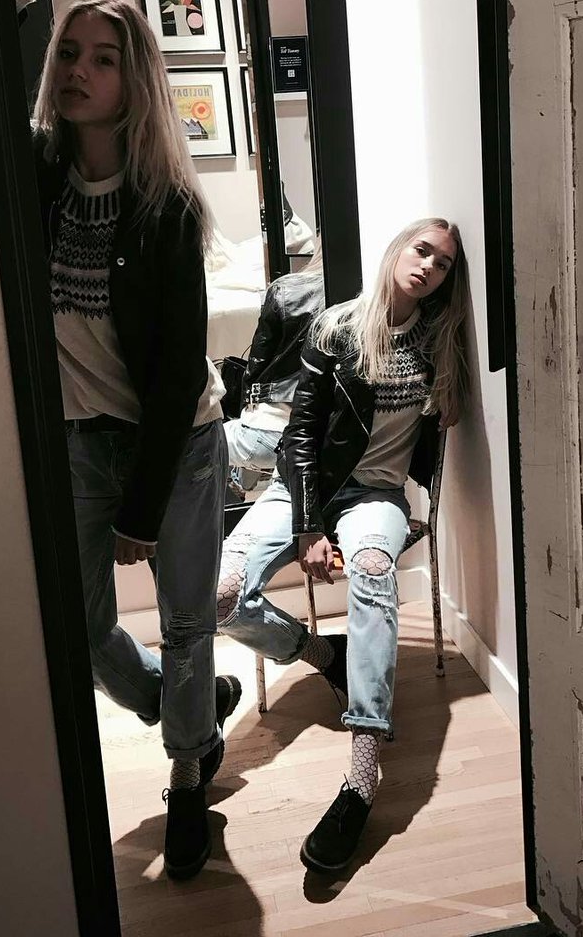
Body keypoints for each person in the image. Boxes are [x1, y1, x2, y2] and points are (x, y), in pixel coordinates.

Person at [11, 0, 241, 881]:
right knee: (79, 622)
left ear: (132, 81)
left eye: (103, 59)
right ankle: (177, 710)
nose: (78, 70)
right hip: (76, 443)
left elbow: (179, 371)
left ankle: (186, 779)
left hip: (176, 447)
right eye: (68, 52)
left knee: (186, 624)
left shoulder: (164, 208)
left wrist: (142, 511)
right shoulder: (33, 178)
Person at [215, 218, 468, 873]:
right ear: (397, 250)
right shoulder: (337, 328)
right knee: (219, 597)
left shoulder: (440, 341)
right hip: (302, 489)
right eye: (421, 251)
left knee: (374, 571)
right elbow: (300, 434)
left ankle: (361, 775)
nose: (428, 267)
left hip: (374, 497)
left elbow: (440, 426)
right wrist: (308, 529)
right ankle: (323, 653)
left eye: (442, 263)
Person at [224, 244, 326, 490]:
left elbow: (256, 364)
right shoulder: (366, 300)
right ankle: (247, 476)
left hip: (270, 430)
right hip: (318, 443)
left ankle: (243, 476)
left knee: (195, 444)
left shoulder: (286, 289)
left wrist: (247, 410)